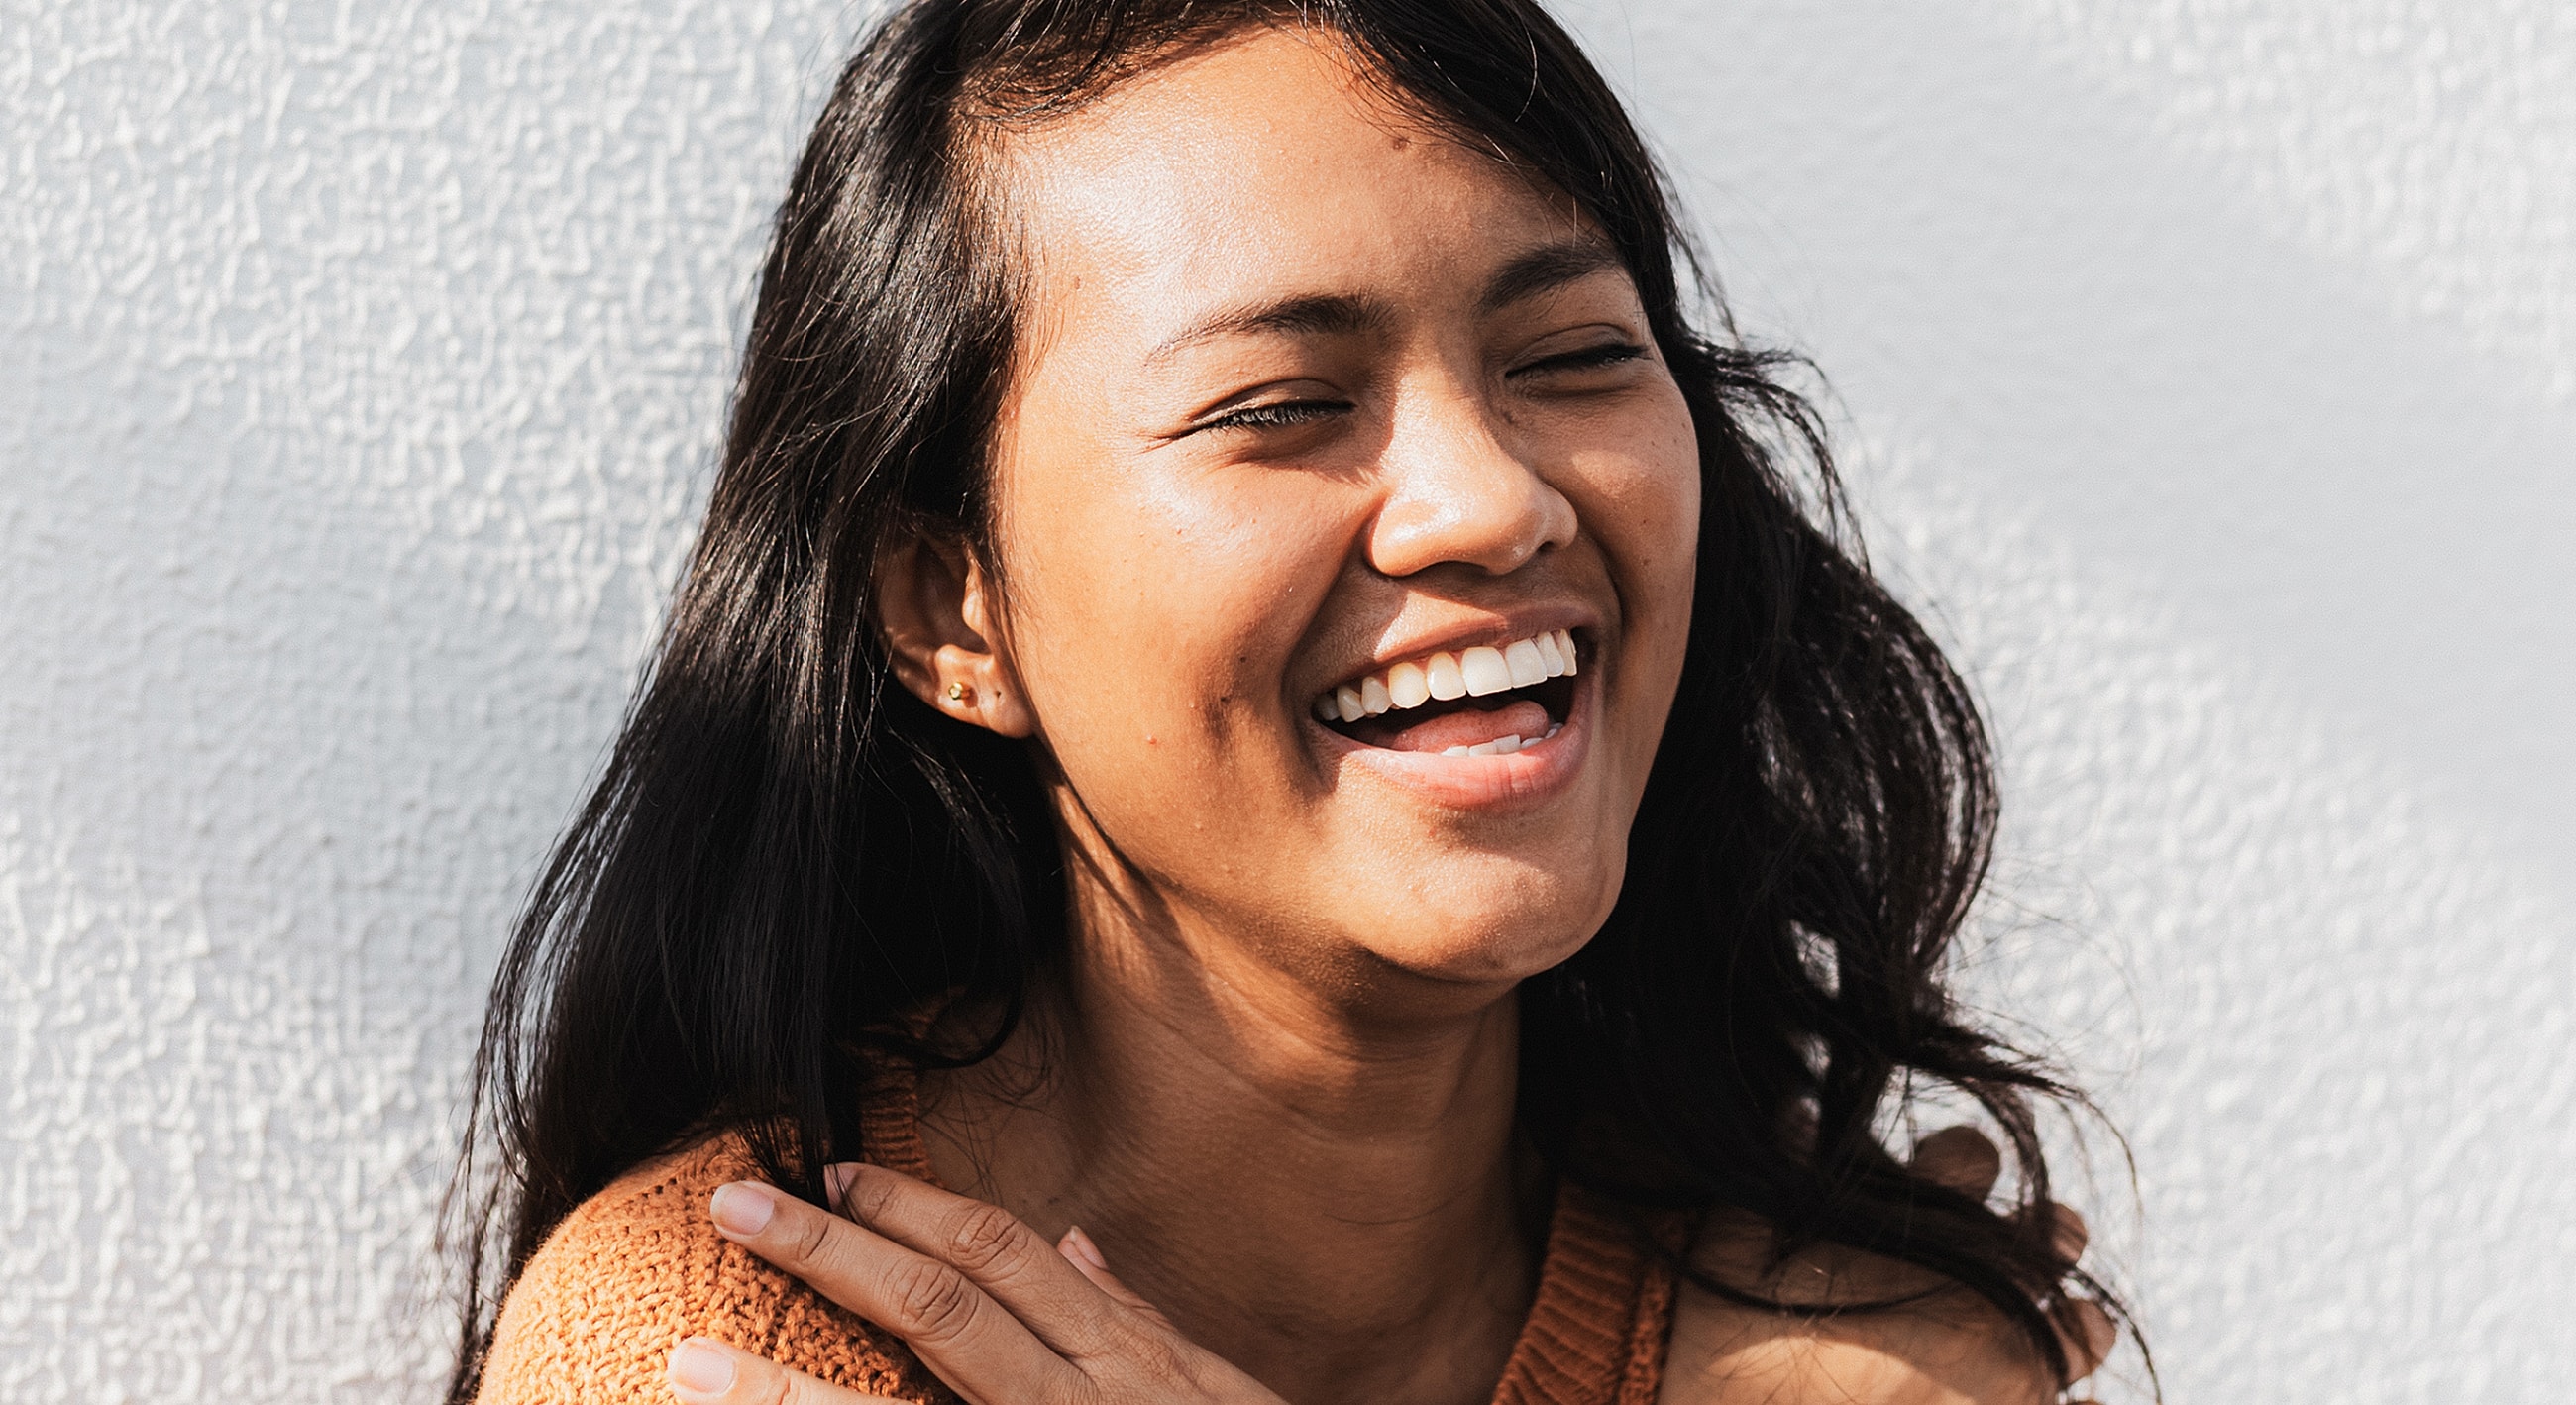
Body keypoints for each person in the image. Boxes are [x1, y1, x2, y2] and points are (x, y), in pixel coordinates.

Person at [448, 2, 2132, 1402]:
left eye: (1572, 359)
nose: (1491, 501)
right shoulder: (731, 1341)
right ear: (948, 607)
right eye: (1279, 405)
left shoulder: (1856, 1362)